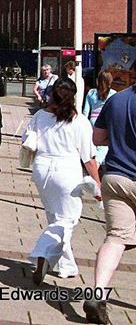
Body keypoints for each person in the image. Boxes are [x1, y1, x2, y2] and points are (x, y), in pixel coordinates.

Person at [27, 78, 102, 285]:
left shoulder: (40, 116)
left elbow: (28, 140)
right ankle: (43, 251)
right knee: (67, 220)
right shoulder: (79, 122)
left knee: (55, 217)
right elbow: (88, 158)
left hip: (42, 169)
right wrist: (98, 183)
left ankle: (66, 266)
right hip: (66, 171)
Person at [86, 80, 136, 324]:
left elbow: (97, 137)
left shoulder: (117, 99)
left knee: (116, 237)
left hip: (116, 177)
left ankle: (98, 294)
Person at [84, 70, 117, 167]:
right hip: (106, 121)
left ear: (98, 80)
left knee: (94, 144)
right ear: (110, 81)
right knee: (103, 146)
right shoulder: (113, 93)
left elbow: (86, 111)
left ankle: (94, 163)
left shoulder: (91, 92)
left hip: (93, 120)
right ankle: (97, 165)